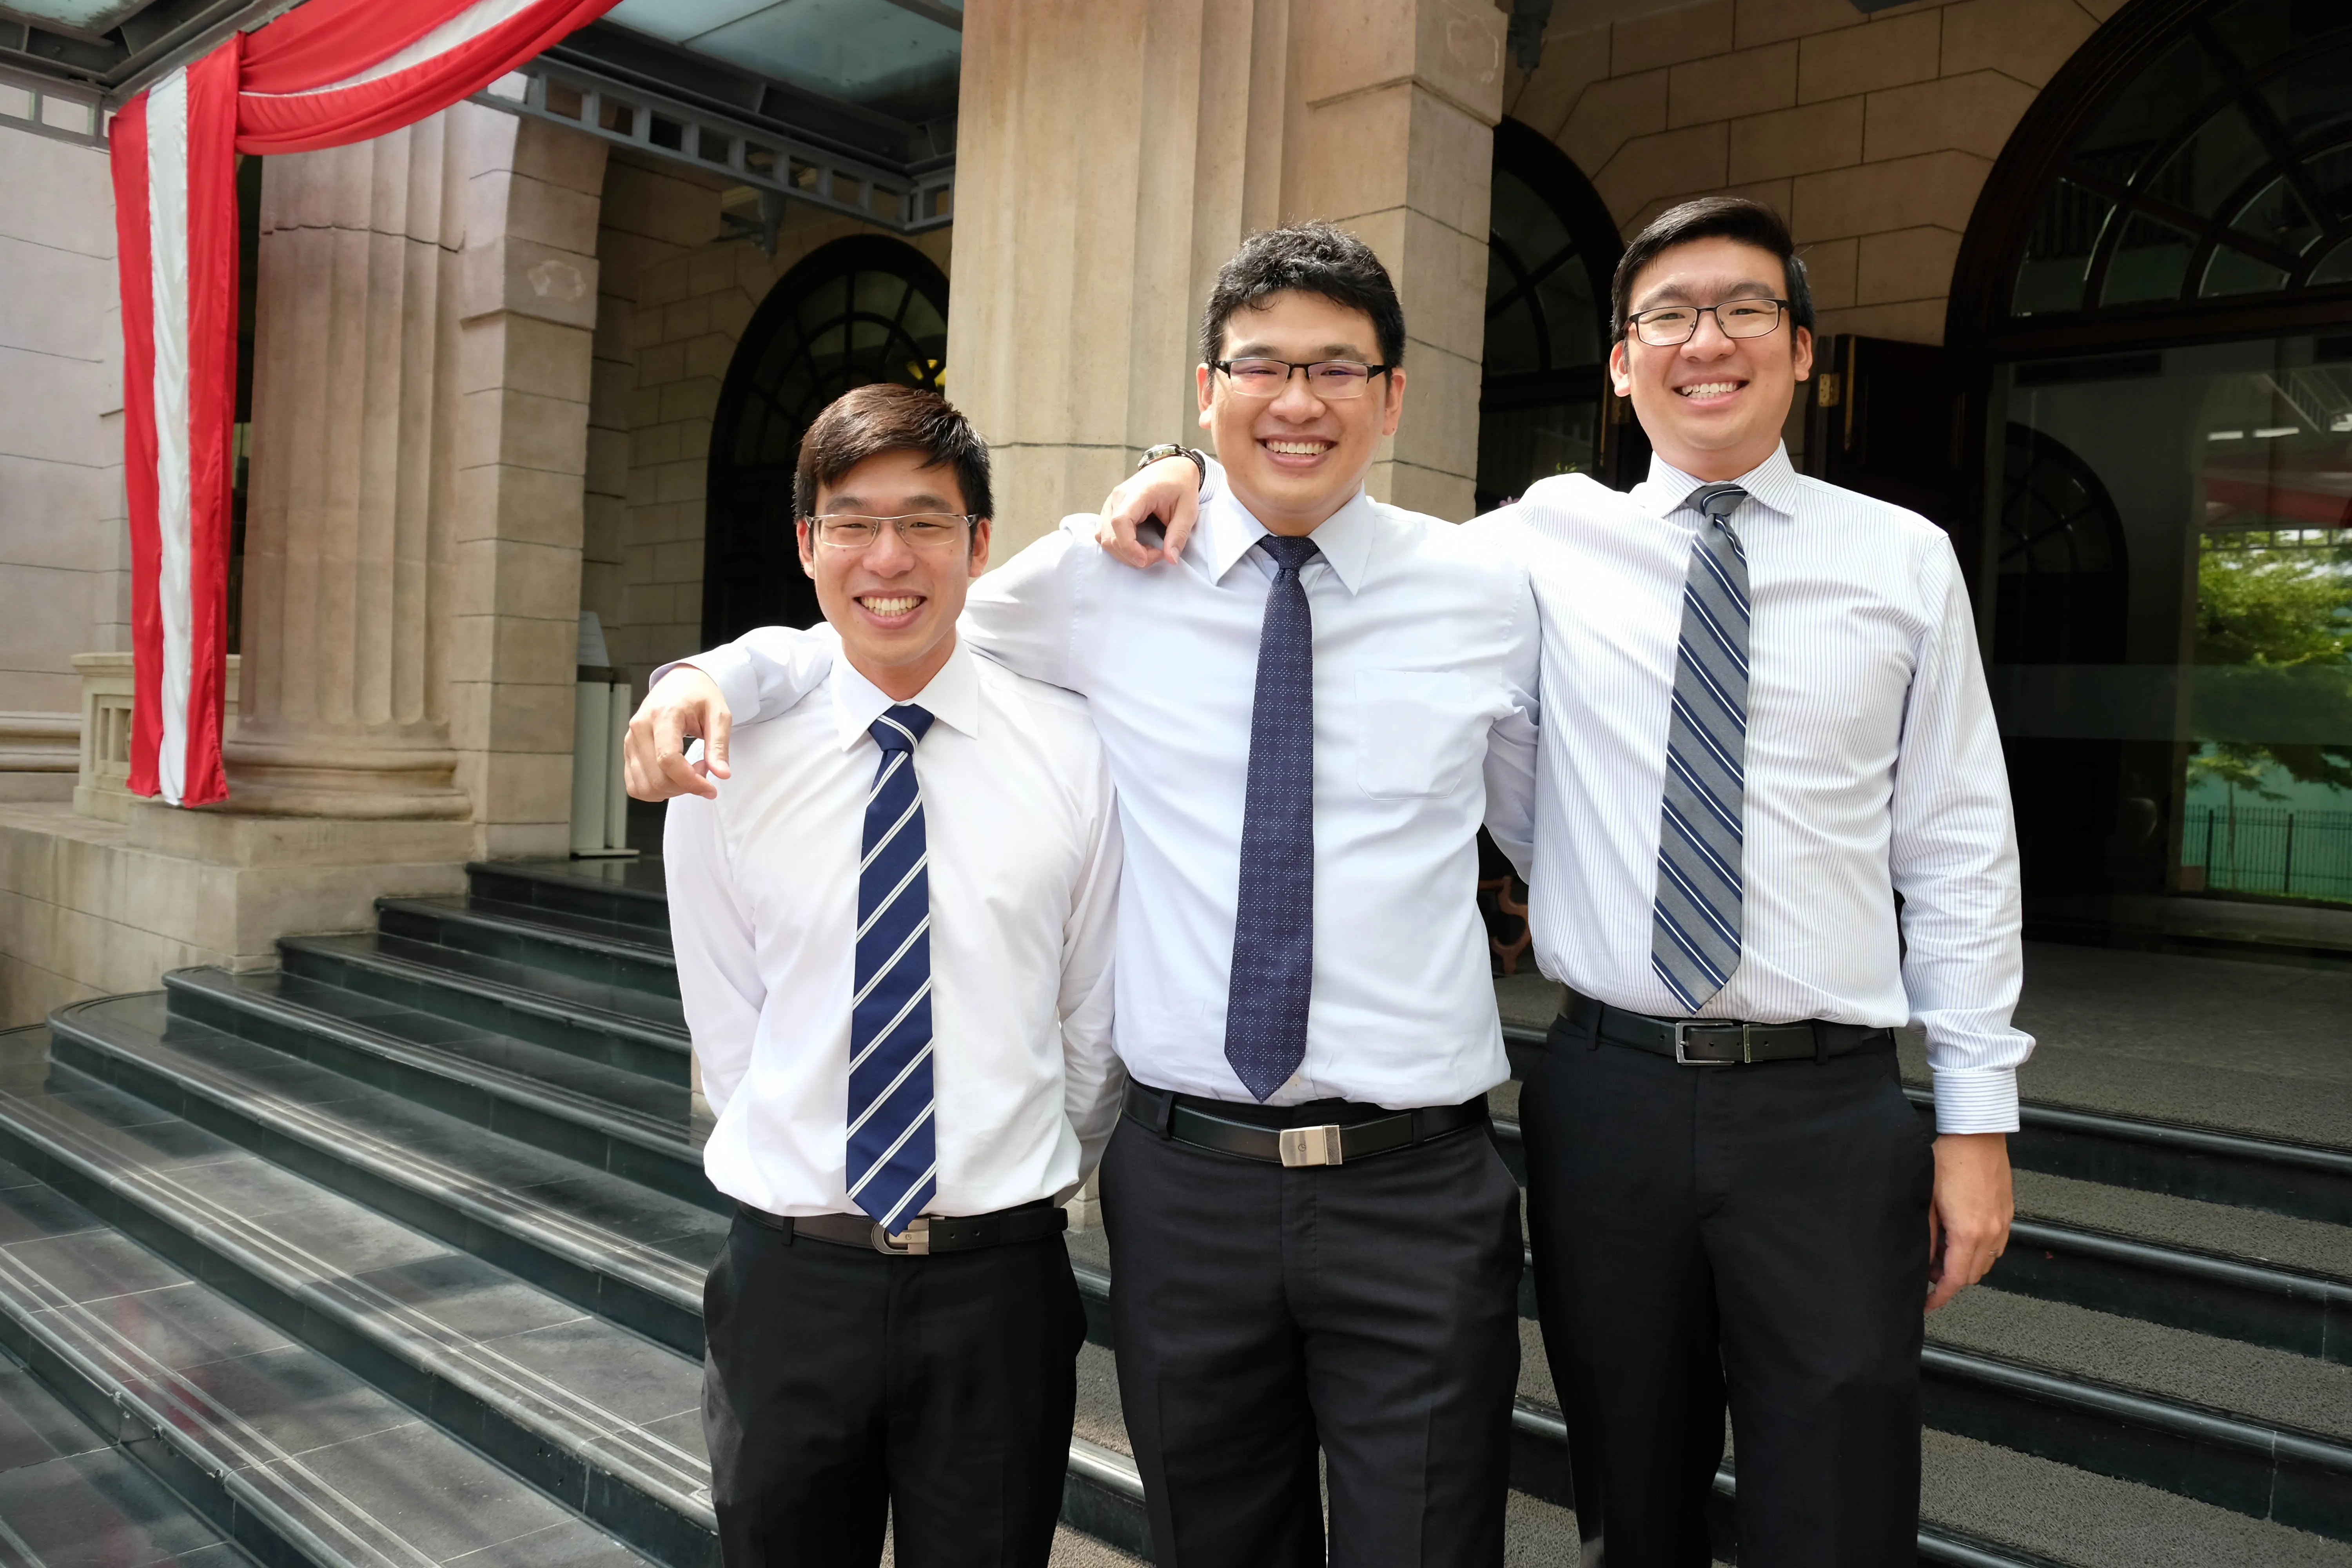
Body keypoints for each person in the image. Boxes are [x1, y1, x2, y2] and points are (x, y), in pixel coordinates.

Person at [1098, 197, 2030, 1568]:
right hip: (1612, 1097)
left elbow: (1956, 846)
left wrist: (1976, 1120)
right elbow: (1313, 494)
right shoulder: (1530, 547)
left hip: (1829, 1108)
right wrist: (1177, 464)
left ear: (1804, 350)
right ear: (1620, 360)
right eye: (1667, 315)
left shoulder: (1903, 558)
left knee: (1841, 1499)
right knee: (1627, 1494)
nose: (1704, 342)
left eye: (1744, 310)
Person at [632, 224, 1541, 1568]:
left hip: (1418, 1181)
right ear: (1205, 387)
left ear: (1394, 395)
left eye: (1339, 368)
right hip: (1190, 1188)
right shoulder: (1101, 577)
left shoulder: (1491, 591)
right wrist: (701, 679)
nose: (1299, 400)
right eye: (1263, 367)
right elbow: (886, 630)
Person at [664, 384, 1124, 1568]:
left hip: (997, 1289)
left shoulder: (1070, 751)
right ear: (807, 543)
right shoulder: (728, 764)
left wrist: (1002, 1174)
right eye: (853, 521)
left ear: (978, 545)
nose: (889, 557)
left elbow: (1089, 1023)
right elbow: (730, 1028)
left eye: (925, 522)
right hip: (791, 1280)